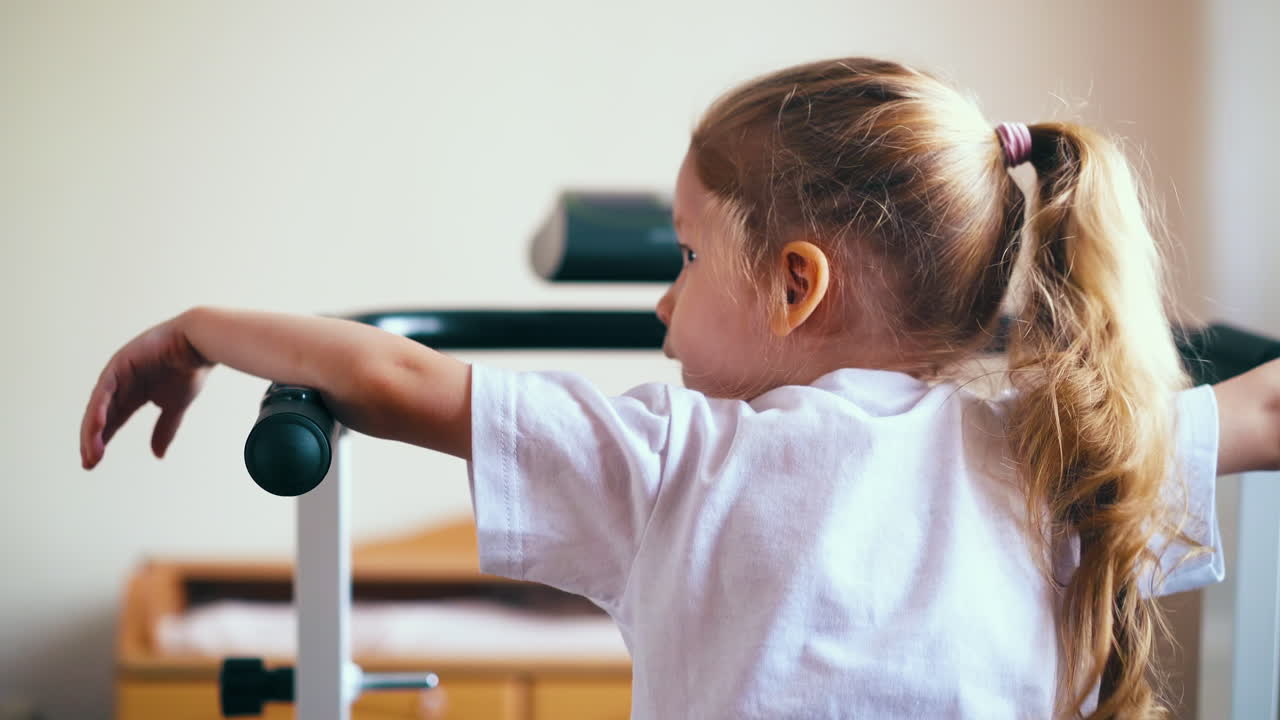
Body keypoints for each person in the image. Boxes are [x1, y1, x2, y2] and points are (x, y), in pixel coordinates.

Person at [79, 57, 1280, 719]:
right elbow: (1262, 408)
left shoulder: (675, 460)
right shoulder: (1059, 448)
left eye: (687, 257)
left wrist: (197, 330)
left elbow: (392, 373)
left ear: (794, 284)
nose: (663, 301)